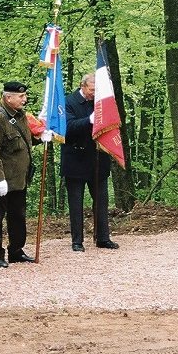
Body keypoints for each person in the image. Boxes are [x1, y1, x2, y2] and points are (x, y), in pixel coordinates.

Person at [0, 81, 37, 268]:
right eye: (21, 96)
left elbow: (21, 142)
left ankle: (16, 251)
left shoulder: (19, 116)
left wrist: (40, 138)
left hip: (18, 178)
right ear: (7, 97)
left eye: (24, 96)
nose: (25, 99)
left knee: (18, 216)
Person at [61, 73, 118, 251]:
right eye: (92, 90)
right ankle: (77, 240)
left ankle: (103, 237)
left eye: (97, 90)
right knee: (76, 203)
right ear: (83, 86)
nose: (94, 94)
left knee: (101, 201)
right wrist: (89, 120)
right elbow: (67, 128)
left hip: (98, 158)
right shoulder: (68, 102)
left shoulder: (101, 102)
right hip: (75, 159)